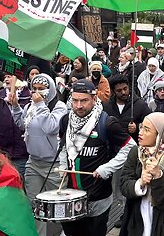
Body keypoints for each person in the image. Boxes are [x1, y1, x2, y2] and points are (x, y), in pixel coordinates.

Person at [58, 79, 136, 236]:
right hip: (71, 195)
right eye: (75, 100)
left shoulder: (107, 122)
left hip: (98, 197)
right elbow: (64, 146)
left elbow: (131, 147)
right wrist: (62, 163)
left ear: (94, 99)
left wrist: (107, 168)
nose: (79, 106)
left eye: (84, 100)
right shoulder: (66, 120)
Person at [10, 73, 67, 236]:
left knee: (57, 206)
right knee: (34, 205)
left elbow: (51, 127)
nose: (36, 92)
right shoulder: (30, 106)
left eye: (41, 89)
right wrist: (15, 107)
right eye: (34, 88)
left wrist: (41, 105)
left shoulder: (60, 107)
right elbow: (23, 125)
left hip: (54, 166)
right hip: (33, 163)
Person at [119, 112, 164, 236]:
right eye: (141, 127)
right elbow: (123, 185)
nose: (140, 133)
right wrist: (140, 183)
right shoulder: (136, 152)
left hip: (163, 226)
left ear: (160, 136)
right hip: (136, 223)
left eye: (147, 130)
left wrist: (158, 176)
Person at [102, 74, 151, 227]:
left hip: (135, 155)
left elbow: (151, 126)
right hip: (114, 154)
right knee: (118, 189)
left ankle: (133, 214)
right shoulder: (106, 106)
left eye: (125, 89)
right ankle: (125, 211)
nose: (124, 92)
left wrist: (138, 127)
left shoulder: (140, 105)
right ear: (113, 91)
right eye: (119, 90)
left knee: (133, 185)